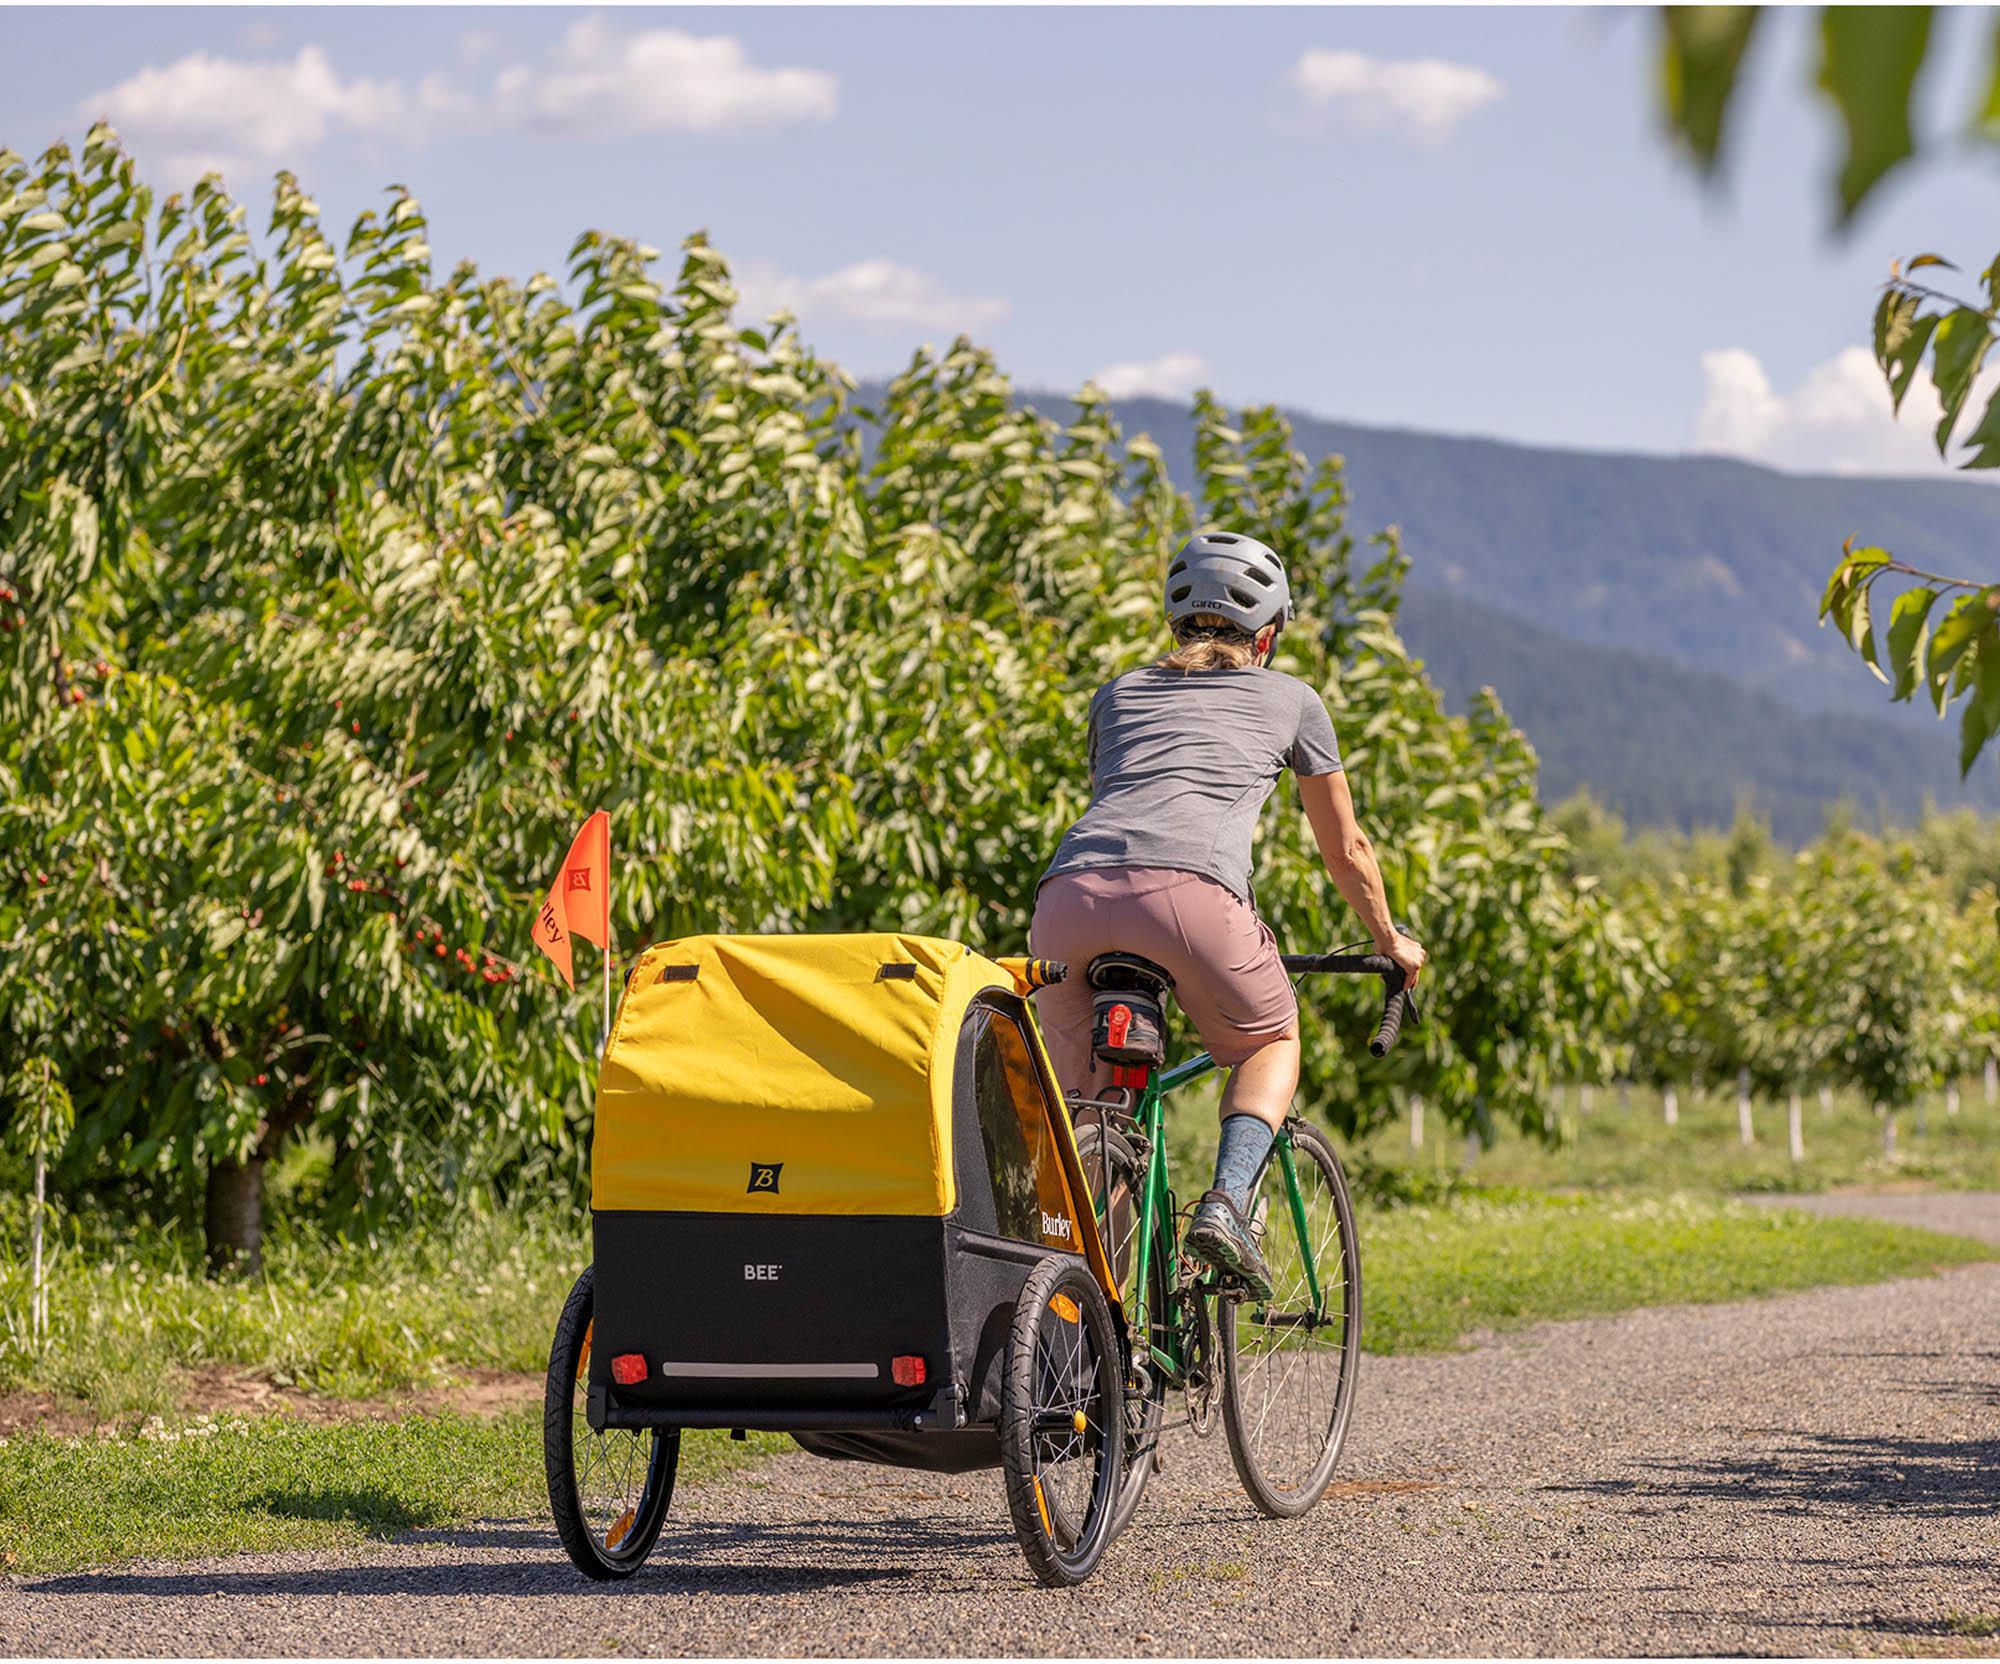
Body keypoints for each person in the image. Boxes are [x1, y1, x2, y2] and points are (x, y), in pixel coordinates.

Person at [1028, 530, 1426, 1300]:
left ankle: (1096, 1347)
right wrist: (1391, 941)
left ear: (1174, 623)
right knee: (1270, 1039)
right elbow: (1346, 848)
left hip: (1066, 900)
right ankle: (1227, 1206)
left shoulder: (1117, 694)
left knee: (1098, 1121)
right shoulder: (1294, 700)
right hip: (1192, 901)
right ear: (1268, 634)